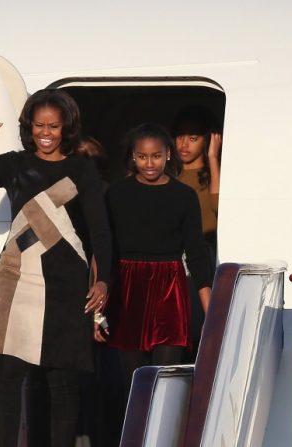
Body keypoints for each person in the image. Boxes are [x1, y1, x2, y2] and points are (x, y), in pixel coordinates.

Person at [0, 90, 112, 447]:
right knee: (10, 375)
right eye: (39, 125)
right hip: (17, 279)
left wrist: (103, 279)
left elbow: (100, 229)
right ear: (30, 126)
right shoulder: (13, 163)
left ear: (66, 128)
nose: (46, 132)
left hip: (65, 282)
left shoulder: (80, 168)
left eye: (54, 126)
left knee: (63, 380)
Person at [105, 123, 213, 401]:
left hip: (169, 287)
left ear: (168, 154)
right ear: (133, 156)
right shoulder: (116, 194)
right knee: (135, 385)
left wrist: (210, 311)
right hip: (128, 288)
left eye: (155, 156)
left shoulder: (184, 196)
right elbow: (105, 250)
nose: (149, 163)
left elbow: (197, 253)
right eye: (142, 156)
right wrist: (99, 305)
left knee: (165, 382)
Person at [172, 106, 222, 361]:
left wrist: (213, 159)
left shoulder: (211, 176)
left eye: (193, 139)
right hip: (173, 256)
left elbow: (218, 210)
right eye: (180, 137)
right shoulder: (169, 176)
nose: (184, 145)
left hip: (203, 253)